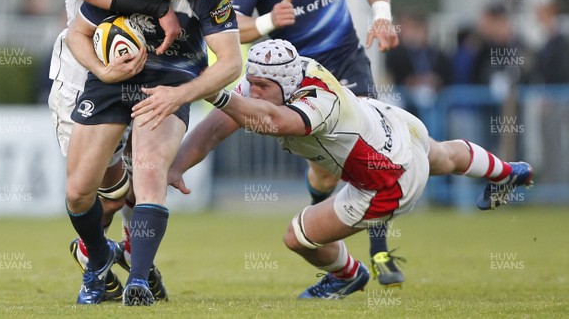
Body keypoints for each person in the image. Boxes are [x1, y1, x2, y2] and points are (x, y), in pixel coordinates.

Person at [149, 39, 533, 299]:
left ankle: (348, 275)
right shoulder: (286, 75)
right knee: (446, 156)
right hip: (395, 125)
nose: (253, 90)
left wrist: (208, 90)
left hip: (386, 179)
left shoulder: (317, 101)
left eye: (261, 85)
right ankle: (507, 172)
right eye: (250, 82)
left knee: (296, 237)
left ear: (286, 83)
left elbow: (274, 120)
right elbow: (222, 122)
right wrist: (177, 165)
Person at [48, 0, 240, 300]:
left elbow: (228, 7)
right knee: (100, 194)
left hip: (165, 77)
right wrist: (159, 10)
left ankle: (135, 272)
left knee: (146, 175)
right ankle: (98, 256)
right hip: (91, 74)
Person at [230, 0, 401, 284]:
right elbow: (232, 26)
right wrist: (271, 20)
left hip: (348, 65)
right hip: (305, 84)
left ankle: (379, 253)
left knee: (373, 151)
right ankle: (327, 242)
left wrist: (382, 17)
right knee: (324, 172)